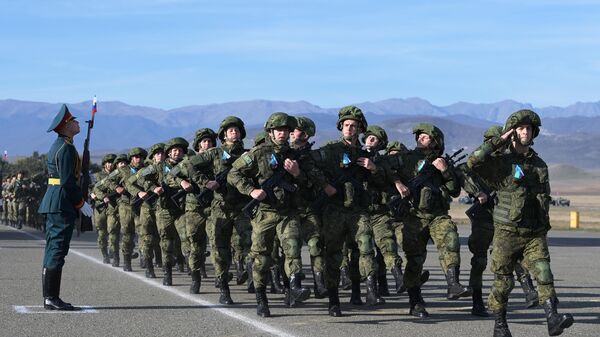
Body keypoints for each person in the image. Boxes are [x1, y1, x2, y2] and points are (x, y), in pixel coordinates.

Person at [467, 110, 574, 337]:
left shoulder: (539, 164)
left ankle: (552, 318)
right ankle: (500, 324)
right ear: (512, 133)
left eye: (529, 128)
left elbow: (542, 198)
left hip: (534, 233)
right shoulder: (501, 164)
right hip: (507, 232)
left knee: (544, 273)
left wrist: (544, 227)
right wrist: (499, 141)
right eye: (521, 128)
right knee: (503, 282)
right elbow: (473, 162)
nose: (526, 131)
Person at [38, 104, 93, 310]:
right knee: (57, 249)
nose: (78, 123)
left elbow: (69, 176)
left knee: (54, 248)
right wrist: (81, 202)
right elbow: (67, 181)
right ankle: (51, 297)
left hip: (58, 200)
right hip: (61, 202)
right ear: (66, 126)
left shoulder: (63, 145)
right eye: (74, 121)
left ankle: (50, 297)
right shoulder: (65, 148)